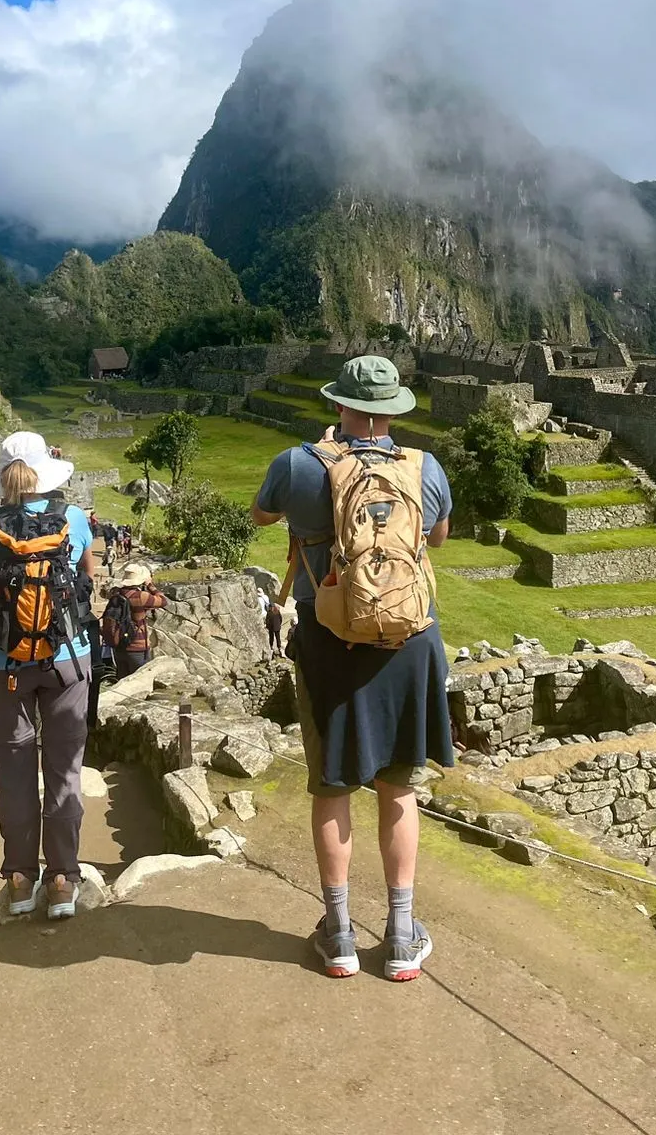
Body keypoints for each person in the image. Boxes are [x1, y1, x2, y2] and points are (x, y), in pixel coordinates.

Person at [251, 355, 454, 983]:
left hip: (330, 638)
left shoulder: (298, 464)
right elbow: (438, 538)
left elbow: (262, 516)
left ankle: (338, 932)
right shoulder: (426, 468)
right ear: (393, 411)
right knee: (398, 788)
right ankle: (399, 934)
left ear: (338, 404)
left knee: (333, 785)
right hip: (407, 643)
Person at [0, 432, 95, 919]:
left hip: (7, 666)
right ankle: (62, 878)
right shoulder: (73, 519)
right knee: (64, 770)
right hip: (67, 660)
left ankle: (20, 878)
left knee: (16, 773)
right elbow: (88, 581)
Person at [101, 562, 166, 677]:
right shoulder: (141, 596)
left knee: (122, 682)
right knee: (141, 681)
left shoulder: (115, 593)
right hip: (137, 647)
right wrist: (150, 585)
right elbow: (163, 601)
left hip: (119, 646)